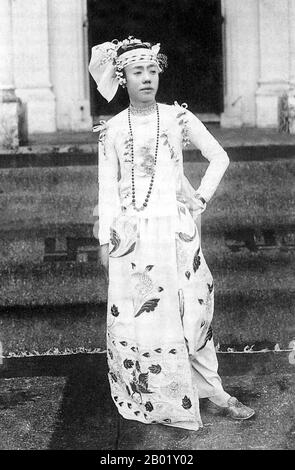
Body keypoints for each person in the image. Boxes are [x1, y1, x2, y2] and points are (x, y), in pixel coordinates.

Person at [89, 36, 255, 431]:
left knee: (194, 311)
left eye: (151, 70)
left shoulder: (178, 118)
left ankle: (213, 391)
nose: (146, 78)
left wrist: (199, 198)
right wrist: (104, 240)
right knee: (144, 317)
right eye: (136, 72)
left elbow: (219, 156)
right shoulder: (112, 130)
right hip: (132, 239)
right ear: (122, 78)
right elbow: (106, 189)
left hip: (177, 233)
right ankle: (155, 394)